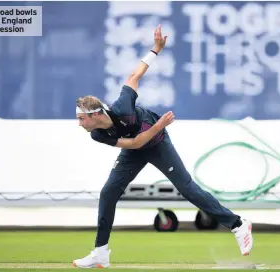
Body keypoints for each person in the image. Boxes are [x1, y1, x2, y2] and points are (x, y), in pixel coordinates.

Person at [72, 24, 253, 269]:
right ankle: (100, 253)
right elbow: (135, 143)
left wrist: (155, 50)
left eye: (81, 118)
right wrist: (160, 123)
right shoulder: (96, 134)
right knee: (109, 192)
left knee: (187, 189)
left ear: (95, 114)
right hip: (138, 146)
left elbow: (134, 76)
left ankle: (238, 224)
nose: (79, 123)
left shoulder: (123, 105)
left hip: (158, 144)